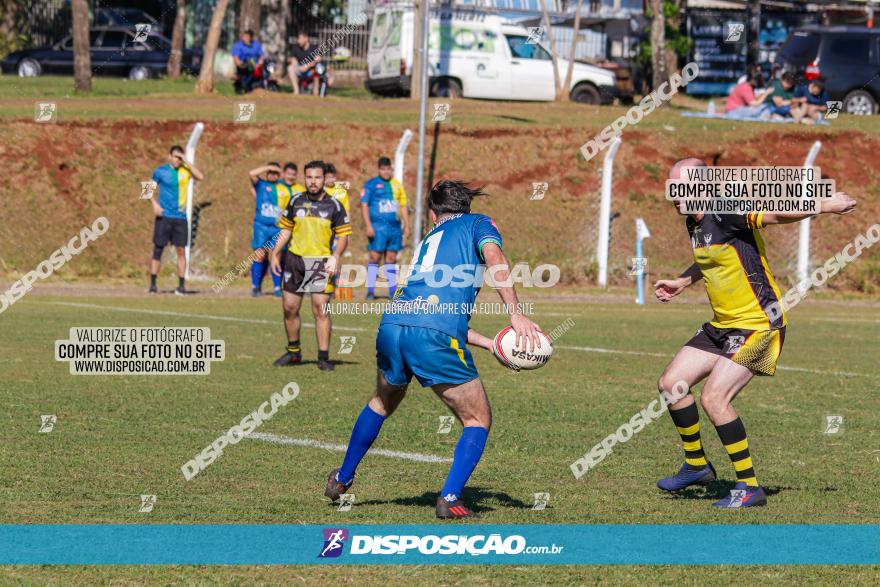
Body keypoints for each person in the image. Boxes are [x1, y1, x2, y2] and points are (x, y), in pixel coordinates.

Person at [323, 180, 544, 519]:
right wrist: (515, 314)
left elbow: (430, 310)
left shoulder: (429, 240)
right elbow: (495, 257)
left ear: (432, 213)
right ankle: (451, 497)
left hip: (394, 326)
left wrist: (489, 343)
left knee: (382, 402)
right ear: (466, 207)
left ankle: (341, 478)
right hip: (433, 334)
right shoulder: (478, 223)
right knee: (477, 419)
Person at [653, 158, 856, 508]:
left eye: (681, 186)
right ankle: (697, 466)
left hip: (760, 324)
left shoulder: (727, 210)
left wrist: (825, 205)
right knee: (672, 385)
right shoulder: (694, 221)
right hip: (722, 326)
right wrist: (683, 281)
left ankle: (749, 487)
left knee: (715, 399)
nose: (674, 194)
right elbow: (714, 258)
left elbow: (776, 213)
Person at [270, 161, 351, 371]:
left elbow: (343, 235)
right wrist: (275, 252)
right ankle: (294, 352)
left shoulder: (334, 205)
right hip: (294, 260)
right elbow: (286, 230)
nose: (313, 181)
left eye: (317, 177)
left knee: (320, 310)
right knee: (289, 308)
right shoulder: (295, 201)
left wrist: (336, 256)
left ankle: (323, 357)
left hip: (320, 263)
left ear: (324, 179)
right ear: (304, 178)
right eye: (309, 177)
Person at [148, 145, 204, 295]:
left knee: (181, 251)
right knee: (158, 249)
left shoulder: (186, 171)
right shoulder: (161, 171)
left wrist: (187, 162)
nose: (177, 160)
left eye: (179, 157)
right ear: (169, 156)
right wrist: (154, 204)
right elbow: (147, 190)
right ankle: (153, 285)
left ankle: (181, 286)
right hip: (164, 216)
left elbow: (200, 177)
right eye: (175, 156)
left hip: (180, 218)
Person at [361, 156, 410, 299]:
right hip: (377, 228)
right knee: (374, 257)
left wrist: (406, 225)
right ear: (378, 169)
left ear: (391, 169)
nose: (386, 172)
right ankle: (370, 291)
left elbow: (403, 205)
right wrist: (368, 225)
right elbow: (364, 205)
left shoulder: (397, 185)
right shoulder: (371, 184)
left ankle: (392, 292)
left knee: (391, 259)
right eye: (383, 169)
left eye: (388, 169)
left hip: (394, 229)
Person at [249, 162, 286, 297]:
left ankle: (277, 287)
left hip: (277, 228)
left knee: (275, 256)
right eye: (271, 172)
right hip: (261, 227)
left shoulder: (282, 188)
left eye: (276, 173)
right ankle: (256, 287)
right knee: (259, 256)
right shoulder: (261, 184)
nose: (273, 175)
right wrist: (267, 167)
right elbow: (251, 173)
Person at [288, 31, 330, 96]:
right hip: (299, 70)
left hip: (310, 71)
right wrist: (294, 62)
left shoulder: (314, 48)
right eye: (298, 39)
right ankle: (296, 91)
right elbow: (290, 59)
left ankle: (315, 92)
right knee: (290, 68)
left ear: (306, 39)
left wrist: (307, 66)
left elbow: (318, 59)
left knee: (317, 70)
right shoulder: (295, 48)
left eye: (300, 39)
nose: (298, 41)